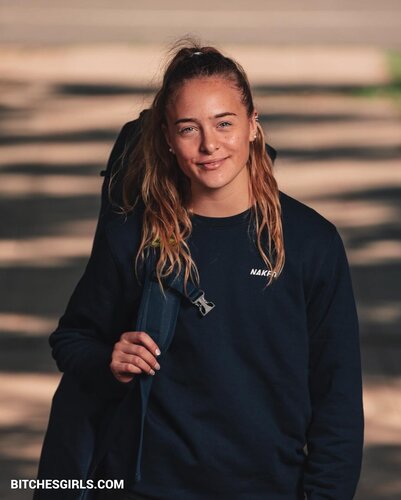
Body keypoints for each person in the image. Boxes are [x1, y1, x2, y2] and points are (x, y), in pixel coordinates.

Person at [36, 39, 364, 500]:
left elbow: (338, 400)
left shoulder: (311, 243)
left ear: (253, 124)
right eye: (189, 128)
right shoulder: (134, 235)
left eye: (224, 123)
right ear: (167, 138)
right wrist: (110, 360)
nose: (210, 144)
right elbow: (72, 339)